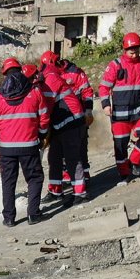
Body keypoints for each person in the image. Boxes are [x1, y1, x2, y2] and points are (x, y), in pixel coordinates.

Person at [0, 57, 50, 227]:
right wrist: (42, 136)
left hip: (6, 148)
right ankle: (33, 214)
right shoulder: (34, 92)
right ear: (20, 70)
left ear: (4, 73)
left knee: (8, 182)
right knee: (35, 178)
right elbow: (44, 117)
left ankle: (9, 218)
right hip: (29, 145)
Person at [98, 33, 140, 184]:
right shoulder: (115, 65)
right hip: (120, 113)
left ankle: (134, 163)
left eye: (136, 50)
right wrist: (106, 105)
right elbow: (104, 87)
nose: (134, 54)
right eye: (131, 51)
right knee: (120, 144)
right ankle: (124, 173)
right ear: (124, 50)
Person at [39, 59, 89, 205]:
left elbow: (45, 108)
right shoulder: (46, 80)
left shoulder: (51, 80)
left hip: (71, 123)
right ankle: (56, 191)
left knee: (72, 159)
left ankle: (81, 193)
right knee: (54, 158)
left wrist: (41, 132)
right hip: (60, 125)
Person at [44, 50, 95, 180]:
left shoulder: (75, 72)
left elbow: (87, 91)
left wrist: (88, 110)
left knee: (80, 149)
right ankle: (69, 177)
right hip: (60, 117)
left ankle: (84, 174)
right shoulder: (50, 76)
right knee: (60, 152)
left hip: (77, 116)